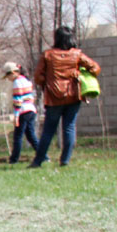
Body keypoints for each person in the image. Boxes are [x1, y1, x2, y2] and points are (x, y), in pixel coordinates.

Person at [29, 26, 101, 168]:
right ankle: (65, 160)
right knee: (69, 128)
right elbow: (95, 68)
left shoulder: (48, 55)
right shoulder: (77, 54)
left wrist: (47, 82)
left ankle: (38, 161)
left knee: (48, 130)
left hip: (53, 98)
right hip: (73, 96)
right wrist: (79, 74)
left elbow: (38, 77)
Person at [2, 61, 39, 164]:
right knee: (31, 135)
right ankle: (42, 155)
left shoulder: (17, 82)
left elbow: (18, 100)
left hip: (23, 111)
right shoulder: (26, 80)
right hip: (31, 110)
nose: (8, 79)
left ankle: (14, 159)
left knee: (18, 136)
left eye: (8, 76)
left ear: (13, 72)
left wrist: (16, 116)